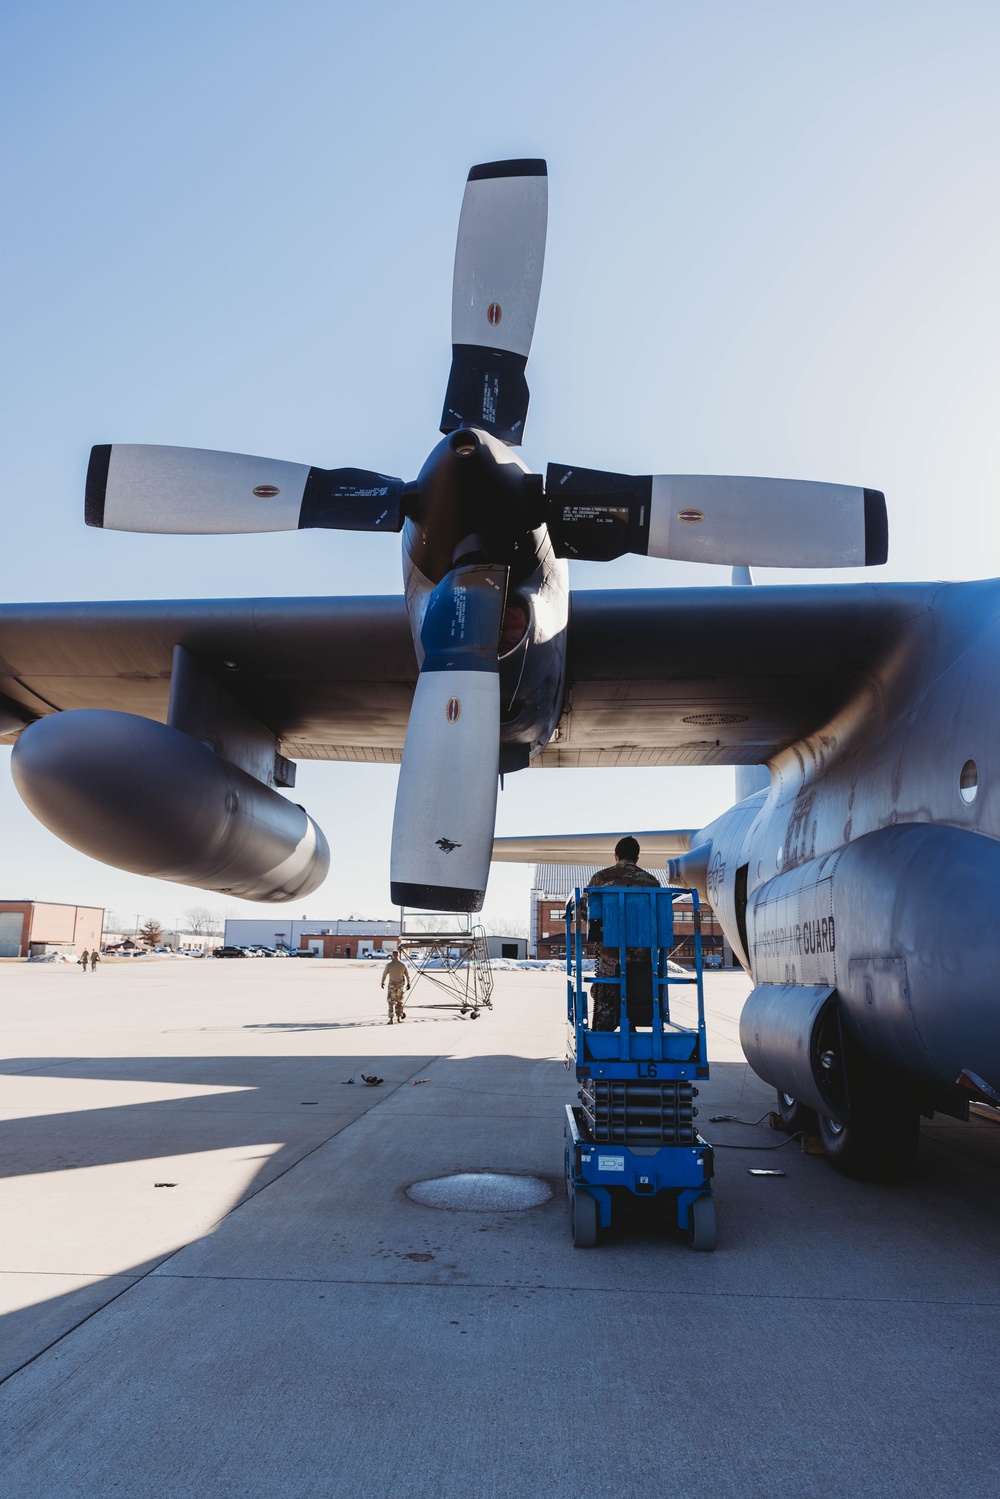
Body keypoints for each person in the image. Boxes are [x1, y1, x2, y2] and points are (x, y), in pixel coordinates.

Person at [587, 836, 659, 1031]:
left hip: (611, 962)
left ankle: (602, 1037)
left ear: (616, 856)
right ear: (637, 857)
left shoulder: (601, 878)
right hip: (643, 964)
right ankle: (634, 1029)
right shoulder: (651, 882)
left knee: (605, 999)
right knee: (637, 998)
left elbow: (585, 911)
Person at [381, 953, 410, 1023]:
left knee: (391, 1002)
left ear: (392, 956)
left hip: (391, 986)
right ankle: (399, 1018)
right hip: (400, 986)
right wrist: (409, 983)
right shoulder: (403, 964)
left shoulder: (389, 965)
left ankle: (391, 1019)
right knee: (399, 1001)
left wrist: (382, 982)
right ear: (399, 956)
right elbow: (407, 975)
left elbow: (384, 974)